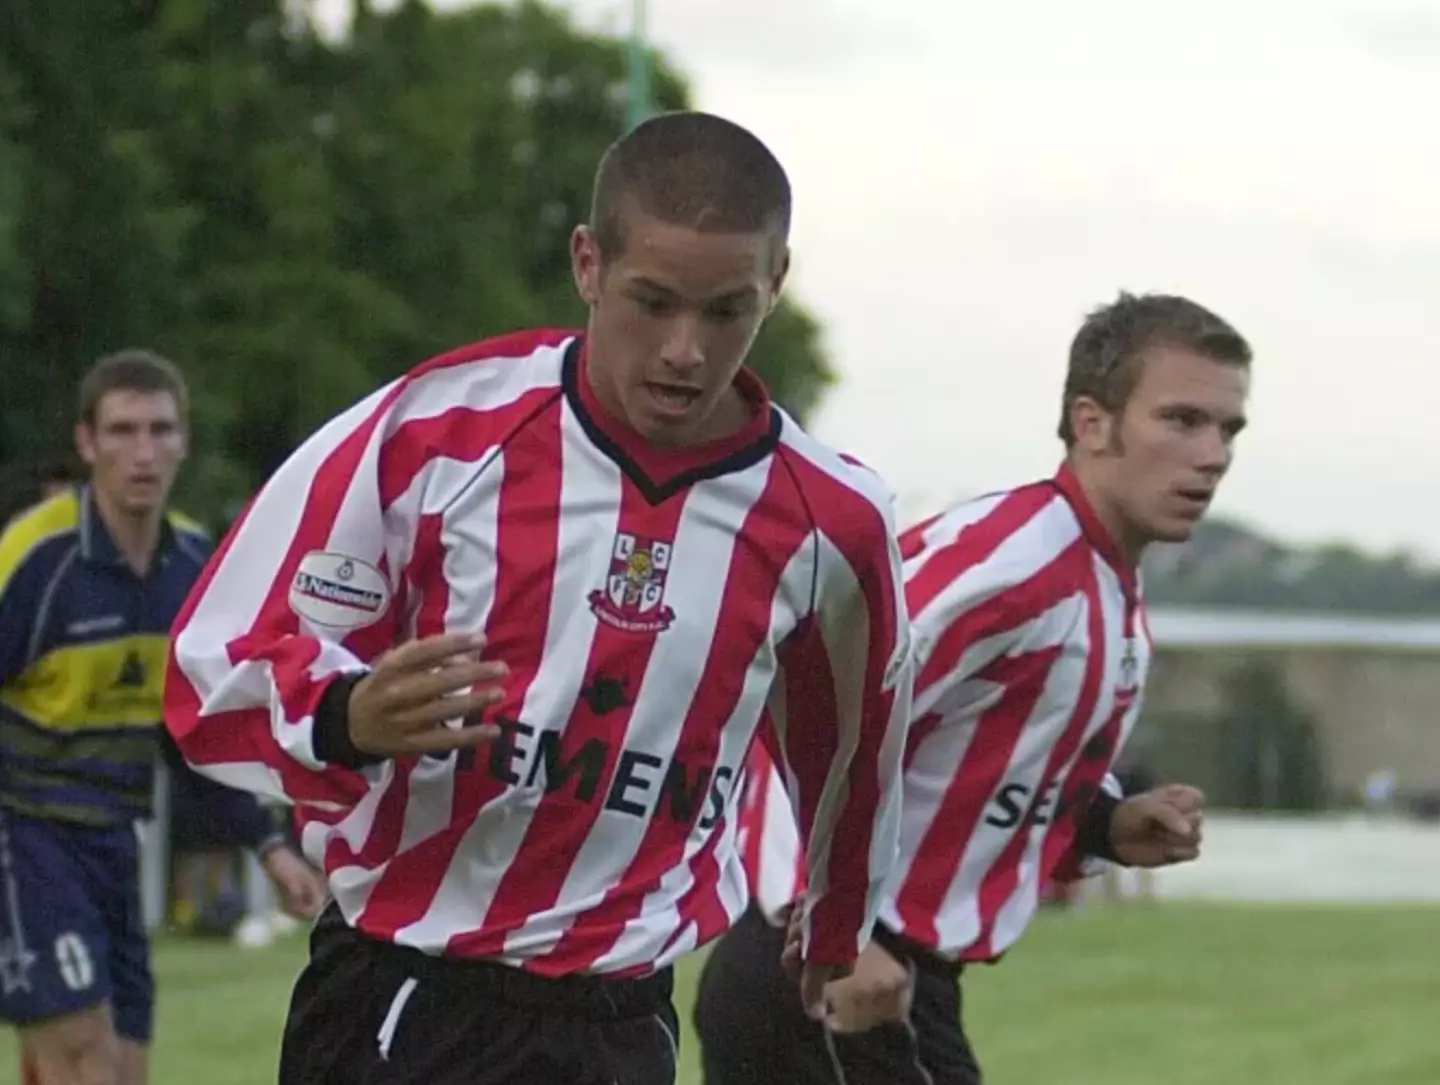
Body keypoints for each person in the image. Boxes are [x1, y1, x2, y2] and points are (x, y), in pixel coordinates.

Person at [163, 110, 913, 1085]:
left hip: (615, 1016)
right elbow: (219, 653)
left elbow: (853, 742)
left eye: (726, 309)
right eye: (652, 301)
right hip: (402, 985)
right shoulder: (438, 431)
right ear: (588, 263)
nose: (685, 349)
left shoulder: (832, 522)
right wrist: (346, 711)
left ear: (774, 284)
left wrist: (837, 914)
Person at [694, 291, 1252, 1084]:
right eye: (1182, 420)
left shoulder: (1108, 590)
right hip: (828, 978)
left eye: (1228, 429)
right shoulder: (1011, 565)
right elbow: (792, 706)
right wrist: (825, 929)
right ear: (1091, 422)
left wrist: (1103, 825)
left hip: (895, 977)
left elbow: (958, 773)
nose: (1213, 453)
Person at [0, 350, 327, 1085]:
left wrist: (270, 848)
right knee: (83, 1056)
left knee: (124, 1067)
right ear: (87, 444)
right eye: (122, 430)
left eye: (159, 429)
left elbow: (196, 735)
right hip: (25, 836)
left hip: (115, 842)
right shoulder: (34, 561)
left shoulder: (192, 567)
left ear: (184, 441)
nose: (142, 451)